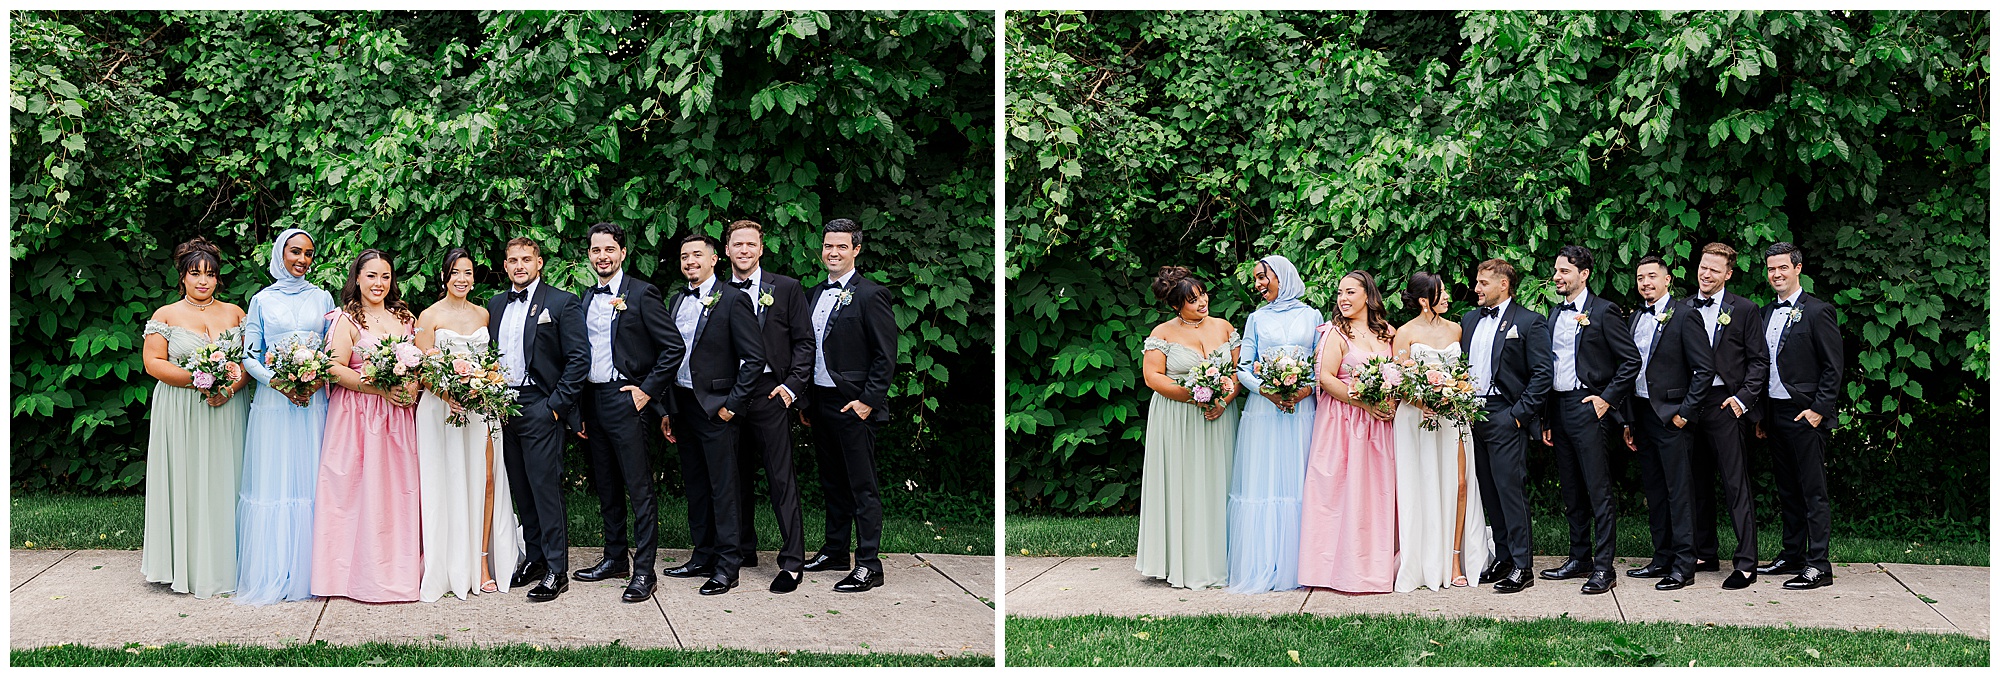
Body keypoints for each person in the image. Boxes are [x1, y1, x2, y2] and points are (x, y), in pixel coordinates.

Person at [570, 223, 684, 604]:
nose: (602, 256)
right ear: (589, 255)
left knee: (639, 490)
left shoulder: (641, 293)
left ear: (622, 253)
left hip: (627, 400)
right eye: (595, 250)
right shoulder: (585, 297)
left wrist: (646, 392)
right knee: (606, 486)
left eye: (609, 249)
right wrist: (580, 407)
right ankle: (615, 557)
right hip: (594, 401)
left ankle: (645, 572)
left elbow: (672, 348)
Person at [140, 237, 250, 599]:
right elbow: (153, 363)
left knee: (228, 477)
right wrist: (200, 381)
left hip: (228, 407)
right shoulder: (165, 315)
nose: (203, 280)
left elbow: (249, 361)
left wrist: (229, 387)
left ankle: (230, 562)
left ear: (218, 278)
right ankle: (184, 564)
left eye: (210, 274)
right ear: (182, 276)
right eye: (195, 273)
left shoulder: (236, 313)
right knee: (187, 479)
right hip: (182, 408)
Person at [311, 249, 423, 602]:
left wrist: (412, 386)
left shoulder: (404, 318)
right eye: (371, 276)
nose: (379, 283)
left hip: (397, 419)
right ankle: (345, 576)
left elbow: (418, 363)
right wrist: (377, 387)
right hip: (357, 418)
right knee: (354, 492)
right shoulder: (346, 319)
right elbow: (334, 367)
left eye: (385, 276)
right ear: (357, 278)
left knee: (397, 492)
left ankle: (395, 569)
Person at [413, 248, 523, 602]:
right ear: (444, 275)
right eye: (456, 272)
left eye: (469, 272)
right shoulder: (428, 316)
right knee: (448, 481)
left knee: (487, 479)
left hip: (482, 409)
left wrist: (485, 387)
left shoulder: (484, 314)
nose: (462, 278)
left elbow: (491, 362)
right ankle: (450, 562)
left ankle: (483, 561)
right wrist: (448, 394)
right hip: (442, 411)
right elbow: (422, 371)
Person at [486, 237, 590, 602]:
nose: (519, 266)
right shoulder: (496, 304)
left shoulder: (561, 303)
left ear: (539, 263)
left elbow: (579, 359)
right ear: (505, 265)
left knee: (546, 487)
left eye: (526, 259)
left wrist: (556, 406)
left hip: (540, 403)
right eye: (512, 260)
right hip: (503, 405)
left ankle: (557, 570)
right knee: (521, 488)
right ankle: (535, 558)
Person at [235, 228, 336, 605]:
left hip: (313, 400)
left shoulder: (322, 296)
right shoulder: (261, 300)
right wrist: (277, 381)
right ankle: (275, 568)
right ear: (281, 253)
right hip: (275, 402)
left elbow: (330, 345)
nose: (302, 260)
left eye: (309, 254)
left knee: (312, 479)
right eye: (295, 252)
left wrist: (314, 378)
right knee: (275, 481)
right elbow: (250, 353)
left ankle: (317, 572)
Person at [661, 233, 765, 595]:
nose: (690, 261)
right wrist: (669, 410)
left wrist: (731, 406)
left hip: (716, 408)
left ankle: (727, 565)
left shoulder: (733, 300)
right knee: (696, 486)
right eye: (684, 256)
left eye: (696, 255)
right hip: (684, 405)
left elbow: (754, 359)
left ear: (713, 260)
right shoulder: (676, 300)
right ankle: (702, 554)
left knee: (724, 488)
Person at [801, 218, 898, 593]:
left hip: (854, 404)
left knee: (862, 486)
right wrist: (807, 400)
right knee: (832, 482)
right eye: (828, 246)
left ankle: (870, 564)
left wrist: (867, 402)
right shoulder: (811, 294)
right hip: (821, 402)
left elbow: (884, 356)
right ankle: (836, 550)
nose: (833, 252)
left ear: (856, 249)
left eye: (842, 246)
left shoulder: (871, 295)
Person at [1536, 245, 1640, 595]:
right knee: (1571, 489)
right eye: (1556, 270)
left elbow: (1630, 362)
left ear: (1584, 275)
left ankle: (1603, 566)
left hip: (1588, 407)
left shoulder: (1604, 311)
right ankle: (1578, 557)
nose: (1557, 277)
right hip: (1560, 409)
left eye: (1565, 271)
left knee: (1598, 490)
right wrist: (1548, 417)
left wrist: (1606, 400)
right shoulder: (1552, 314)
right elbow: (1549, 368)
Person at [722, 219, 816, 593]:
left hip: (769, 392)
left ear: (761, 249)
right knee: (734, 476)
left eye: (750, 244)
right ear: (726, 250)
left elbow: (805, 343)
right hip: (729, 396)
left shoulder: (788, 288)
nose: (744, 250)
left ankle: (793, 562)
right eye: (737, 244)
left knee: (780, 479)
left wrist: (791, 387)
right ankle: (744, 548)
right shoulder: (717, 291)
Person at [1136, 266, 1240, 588]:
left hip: (1221, 415)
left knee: (1220, 481)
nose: (1201, 302)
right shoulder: (1162, 333)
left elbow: (1238, 372)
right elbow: (1153, 377)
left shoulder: (1224, 327)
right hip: (1178, 418)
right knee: (1185, 483)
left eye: (1202, 295)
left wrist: (1221, 400)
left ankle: (1225, 557)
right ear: (1176, 305)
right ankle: (1183, 559)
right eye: (1192, 300)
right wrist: (1196, 397)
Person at [1619, 255, 1715, 591]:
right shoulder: (1634, 318)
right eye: (1640, 277)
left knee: (1679, 491)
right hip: (1642, 414)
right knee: (1655, 491)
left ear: (1667, 280)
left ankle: (1684, 564)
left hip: (1672, 417)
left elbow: (1705, 370)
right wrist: (1629, 419)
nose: (1645, 283)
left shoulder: (1685, 316)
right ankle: (1661, 557)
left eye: (1651, 277)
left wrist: (1684, 413)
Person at [1299, 270, 1398, 593]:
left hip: (1378, 426)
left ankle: (1378, 563)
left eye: (1350, 292)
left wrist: (1389, 400)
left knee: (1377, 494)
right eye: (1340, 292)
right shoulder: (1334, 334)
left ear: (1368, 296)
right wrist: (1362, 402)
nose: (1343, 298)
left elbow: (1397, 373)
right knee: (1341, 492)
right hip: (1343, 424)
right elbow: (1326, 378)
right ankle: (1332, 569)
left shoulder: (1386, 333)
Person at [1226, 256, 1321, 594]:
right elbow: (1244, 367)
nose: (1258, 285)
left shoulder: (1312, 316)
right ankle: (1264, 563)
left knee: (1300, 482)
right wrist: (1266, 390)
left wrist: (1304, 389)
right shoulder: (1256, 318)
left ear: (1282, 275)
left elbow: (1319, 361)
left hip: (1303, 410)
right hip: (1264, 412)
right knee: (1264, 483)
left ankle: (1304, 566)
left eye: (1262, 277)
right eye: (1255, 280)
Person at [1389, 271, 1488, 592]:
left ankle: (1457, 558)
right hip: (1418, 420)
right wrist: (1422, 402)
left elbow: (1464, 373)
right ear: (1423, 301)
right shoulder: (1404, 334)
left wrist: (1457, 394)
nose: (1447, 297)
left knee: (1460, 483)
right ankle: (1426, 559)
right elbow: (1399, 382)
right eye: (1441, 293)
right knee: (1424, 485)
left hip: (1454, 416)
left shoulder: (1457, 329)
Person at [1754, 242, 1842, 590]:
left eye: (1782, 268)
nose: (1776, 274)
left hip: (1805, 413)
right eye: (1771, 269)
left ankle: (1819, 565)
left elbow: (1833, 367)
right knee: (1787, 489)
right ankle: (1792, 554)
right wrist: (1762, 414)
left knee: (1812, 492)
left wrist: (1819, 410)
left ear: (1797, 268)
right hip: (1774, 413)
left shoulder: (1818, 311)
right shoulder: (1762, 313)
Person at [1459, 259, 1550, 594]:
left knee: (1510, 489)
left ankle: (1523, 566)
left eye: (1484, 283)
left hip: (1505, 412)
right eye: (1477, 282)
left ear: (1503, 285)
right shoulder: (1469, 320)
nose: (1477, 288)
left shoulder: (1529, 322)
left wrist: (1517, 415)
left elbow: (1542, 375)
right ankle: (1505, 557)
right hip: (1472, 413)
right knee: (1489, 490)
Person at [1686, 243, 1768, 589]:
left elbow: (1759, 361)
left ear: (1728, 274)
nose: (1706, 274)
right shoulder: (1683, 307)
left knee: (1735, 484)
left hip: (1725, 401)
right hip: (1691, 402)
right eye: (1703, 267)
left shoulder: (1745, 309)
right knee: (1696, 482)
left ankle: (1747, 562)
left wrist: (1741, 400)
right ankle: (1705, 552)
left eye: (1714, 270)